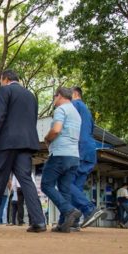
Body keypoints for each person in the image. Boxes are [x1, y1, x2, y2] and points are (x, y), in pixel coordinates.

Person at [0, 70, 46, 232]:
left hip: (6, 143)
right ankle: (39, 221)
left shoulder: (5, 90)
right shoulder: (31, 95)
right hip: (26, 143)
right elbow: (31, 119)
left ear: (5, 79)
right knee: (26, 180)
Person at [60, 86, 104, 229]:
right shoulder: (87, 111)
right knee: (76, 187)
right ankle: (73, 221)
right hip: (90, 151)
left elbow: (66, 127)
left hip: (78, 150)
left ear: (75, 94)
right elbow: (90, 130)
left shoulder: (74, 105)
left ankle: (89, 208)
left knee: (64, 183)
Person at [41, 87, 82, 233]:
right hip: (74, 156)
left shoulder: (61, 109)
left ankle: (69, 210)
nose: (54, 99)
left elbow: (57, 129)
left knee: (46, 184)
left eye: (54, 96)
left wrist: (47, 139)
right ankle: (64, 224)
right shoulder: (76, 113)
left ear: (59, 96)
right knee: (65, 189)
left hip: (60, 154)